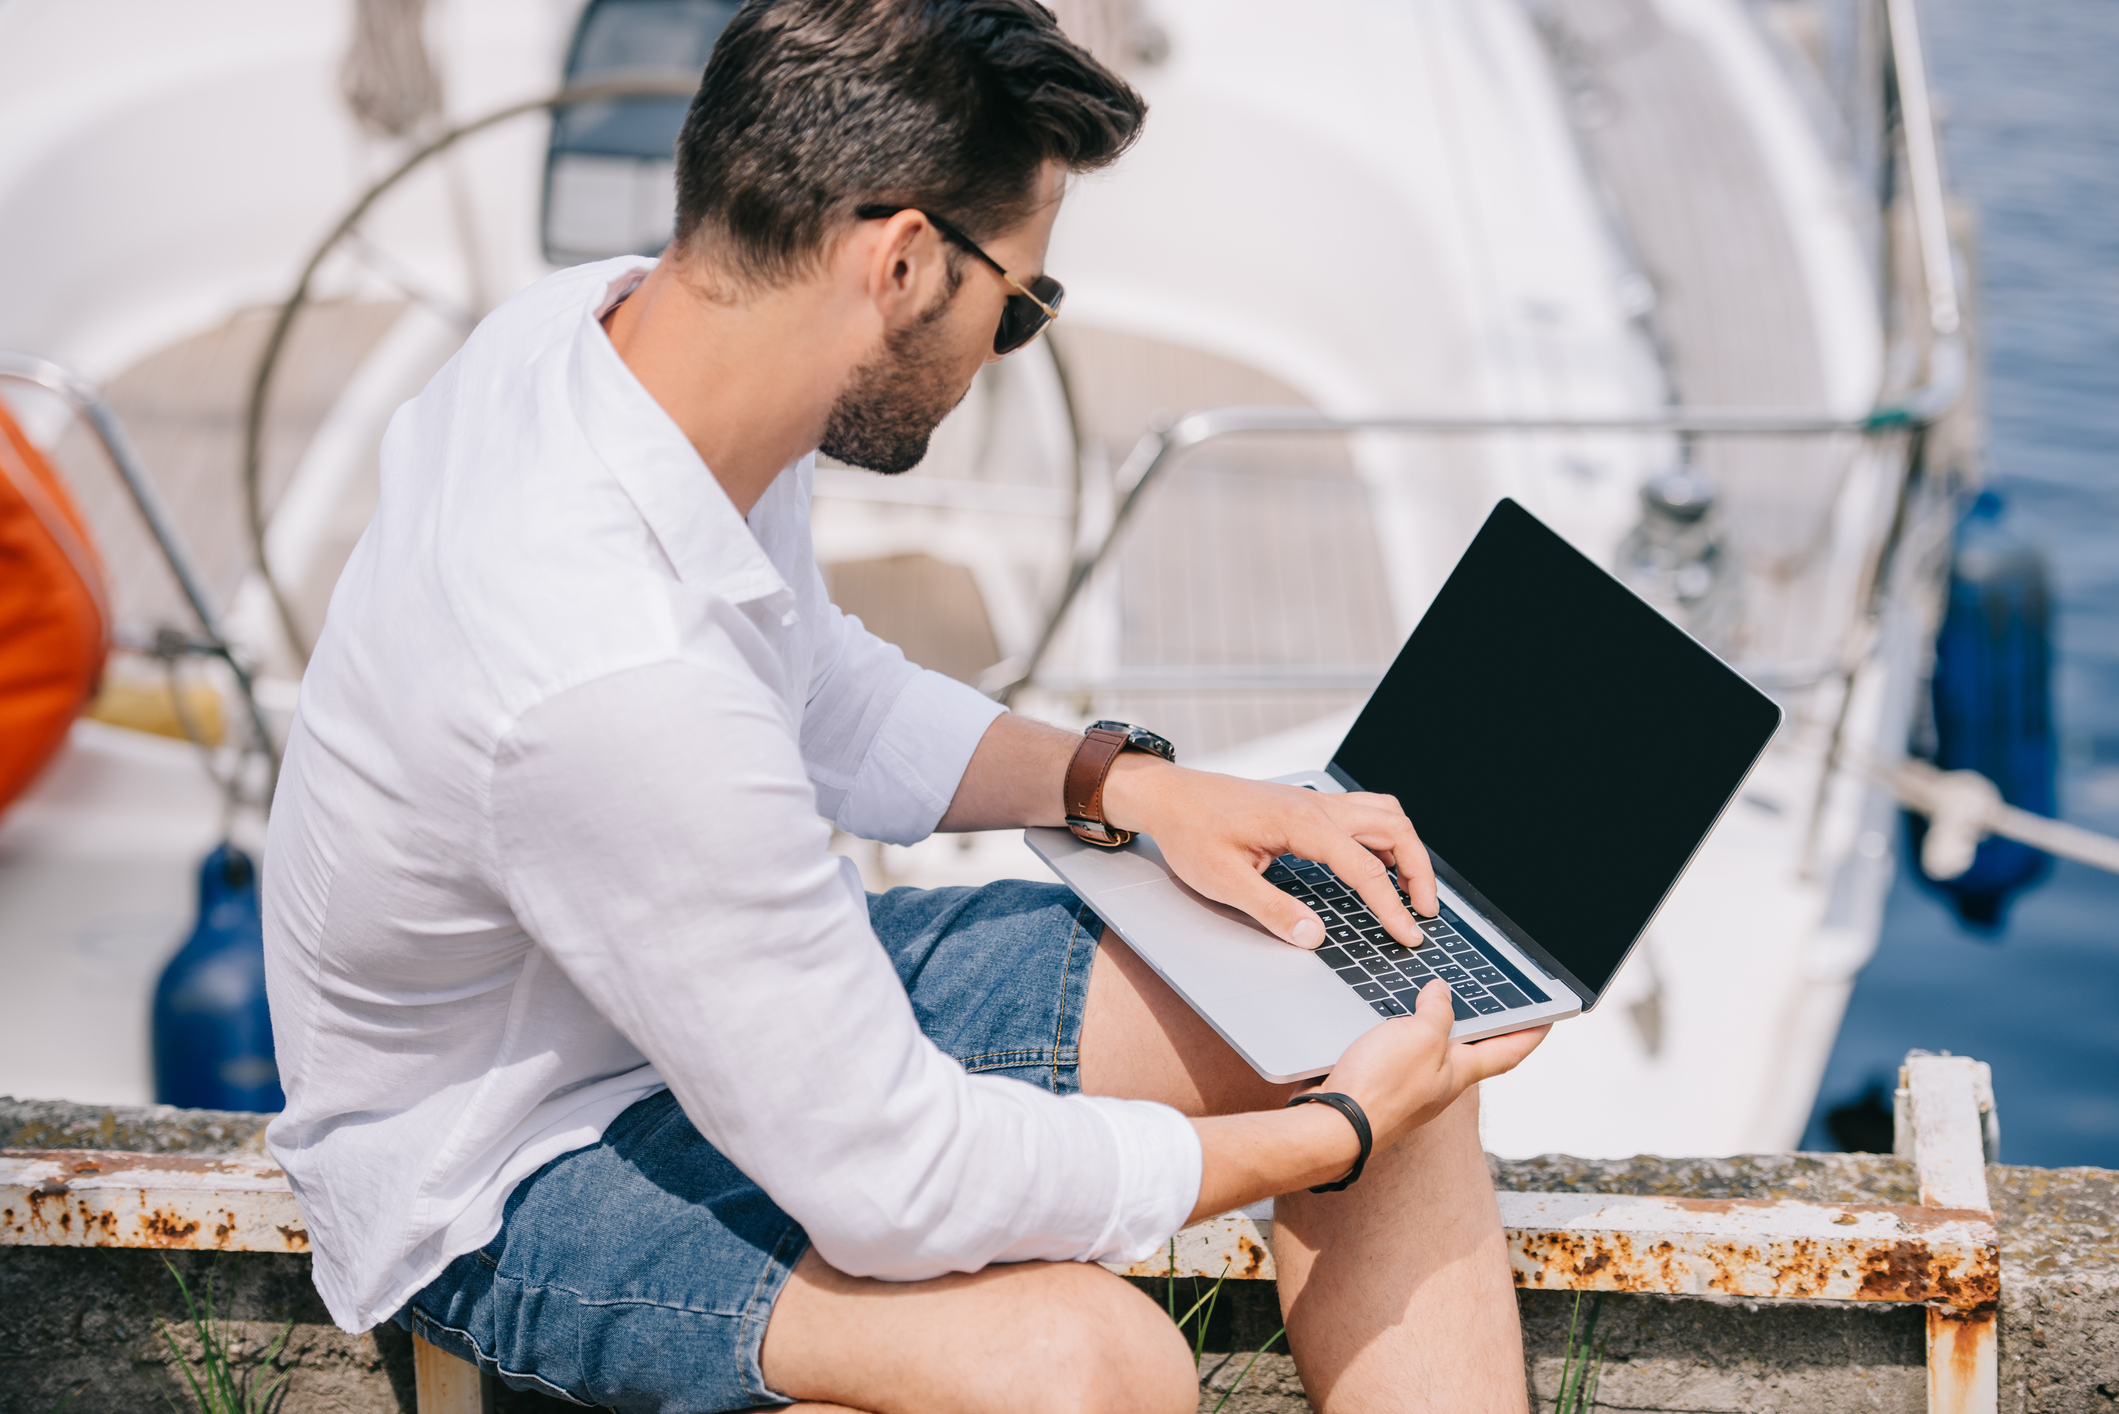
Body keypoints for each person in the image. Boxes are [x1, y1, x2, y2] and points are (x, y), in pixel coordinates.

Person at [262, 2, 1549, 1410]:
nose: (1018, 336)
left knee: (1358, 982)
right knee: (1097, 1369)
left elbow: (822, 691)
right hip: (510, 1164)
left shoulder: (620, 346)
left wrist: (1132, 786)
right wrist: (1333, 1135)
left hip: (697, 1008)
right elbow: (899, 1181)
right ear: (905, 262)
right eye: (1026, 304)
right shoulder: (610, 671)